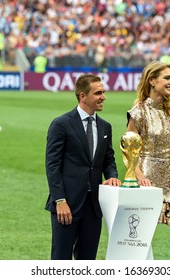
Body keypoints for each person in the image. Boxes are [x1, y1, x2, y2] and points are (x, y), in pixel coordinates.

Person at [45, 73, 121, 260]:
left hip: (93, 207)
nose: (103, 97)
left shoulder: (105, 127)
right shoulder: (61, 124)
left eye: (103, 92)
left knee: (87, 260)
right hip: (67, 205)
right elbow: (52, 165)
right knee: (61, 260)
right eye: (98, 93)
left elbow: (108, 159)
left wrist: (112, 175)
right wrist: (60, 201)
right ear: (82, 96)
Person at [126, 61, 170, 260]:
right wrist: (138, 176)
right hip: (147, 178)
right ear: (152, 81)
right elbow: (129, 148)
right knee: (139, 240)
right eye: (167, 78)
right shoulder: (138, 112)